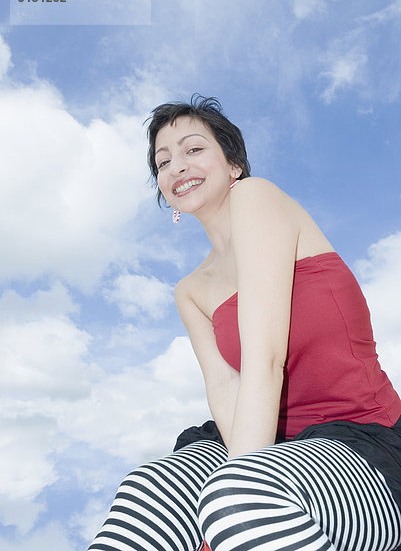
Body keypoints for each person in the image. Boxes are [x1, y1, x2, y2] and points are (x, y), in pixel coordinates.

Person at [88, 96, 401, 551]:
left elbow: (264, 359)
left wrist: (238, 490)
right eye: (163, 160)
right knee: (149, 486)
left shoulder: (258, 197)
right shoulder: (190, 291)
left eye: (193, 149)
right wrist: (240, 474)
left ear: (233, 164)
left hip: (360, 446)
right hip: (262, 442)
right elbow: (225, 389)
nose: (177, 165)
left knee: (236, 499)